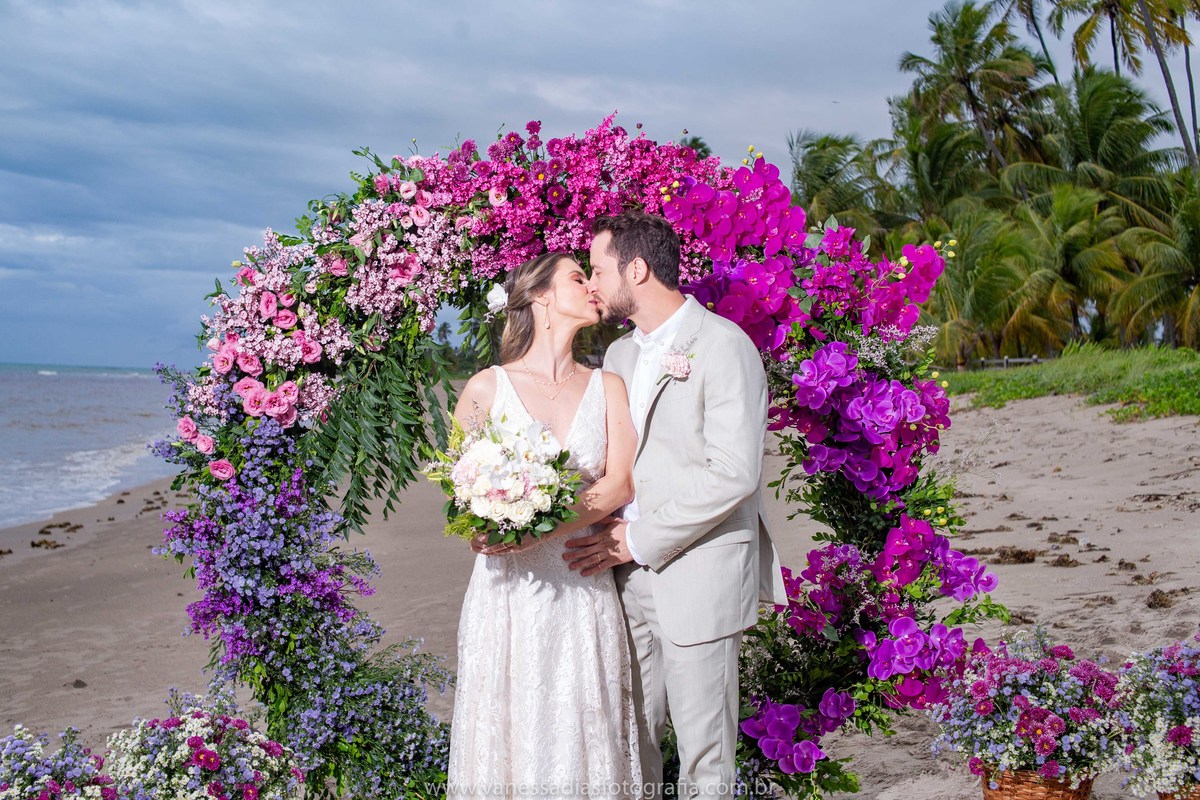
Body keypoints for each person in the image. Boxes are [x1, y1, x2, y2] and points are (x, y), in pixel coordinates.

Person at [565, 211, 788, 799]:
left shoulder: (723, 345)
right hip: (623, 578)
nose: (591, 283)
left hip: (698, 572)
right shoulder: (618, 357)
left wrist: (638, 540)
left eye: (598, 268)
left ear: (636, 269)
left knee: (704, 755)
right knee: (632, 743)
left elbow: (733, 473)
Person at [446, 251, 643, 798]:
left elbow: (619, 485)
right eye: (578, 278)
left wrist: (535, 532)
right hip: (506, 596)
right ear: (540, 298)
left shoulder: (608, 387)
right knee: (508, 728)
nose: (591, 286)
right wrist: (483, 530)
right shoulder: (487, 389)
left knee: (584, 724)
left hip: (581, 583)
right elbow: (461, 492)